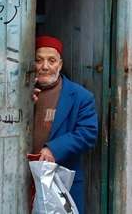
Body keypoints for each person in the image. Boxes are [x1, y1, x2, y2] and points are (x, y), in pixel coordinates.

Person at [32, 35, 98, 214]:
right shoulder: (23, 92)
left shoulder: (80, 96)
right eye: (39, 60)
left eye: (51, 61)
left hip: (61, 182)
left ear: (60, 65)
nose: (45, 66)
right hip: (24, 179)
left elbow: (87, 133)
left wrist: (54, 149)